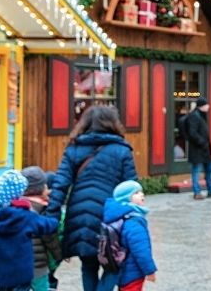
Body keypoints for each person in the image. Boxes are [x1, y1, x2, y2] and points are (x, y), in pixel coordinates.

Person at [46, 105, 137, 291]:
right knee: (114, 264)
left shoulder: (73, 149)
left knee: (88, 265)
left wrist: (51, 216)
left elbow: (60, 184)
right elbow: (132, 189)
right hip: (110, 218)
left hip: (79, 216)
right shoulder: (122, 151)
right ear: (113, 123)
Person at [0, 169, 60, 291]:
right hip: (22, 274)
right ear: (20, 193)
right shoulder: (26, 216)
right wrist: (54, 210)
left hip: (1, 275)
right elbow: (50, 225)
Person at [102, 180, 157, 291]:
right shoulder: (133, 221)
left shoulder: (119, 215)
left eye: (141, 191)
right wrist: (150, 270)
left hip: (122, 268)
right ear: (126, 198)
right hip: (132, 272)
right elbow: (140, 249)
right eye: (136, 193)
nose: (141, 194)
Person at [20, 167, 61, 291]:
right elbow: (50, 238)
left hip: (17, 264)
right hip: (38, 266)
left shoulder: (14, 207)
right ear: (42, 188)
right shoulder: (43, 210)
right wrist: (59, 255)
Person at [181, 99, 211, 199]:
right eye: (207, 105)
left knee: (209, 169)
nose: (208, 107)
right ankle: (197, 192)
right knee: (196, 170)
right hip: (198, 149)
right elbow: (192, 132)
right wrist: (202, 142)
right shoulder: (195, 116)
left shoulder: (201, 115)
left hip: (205, 149)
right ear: (202, 106)